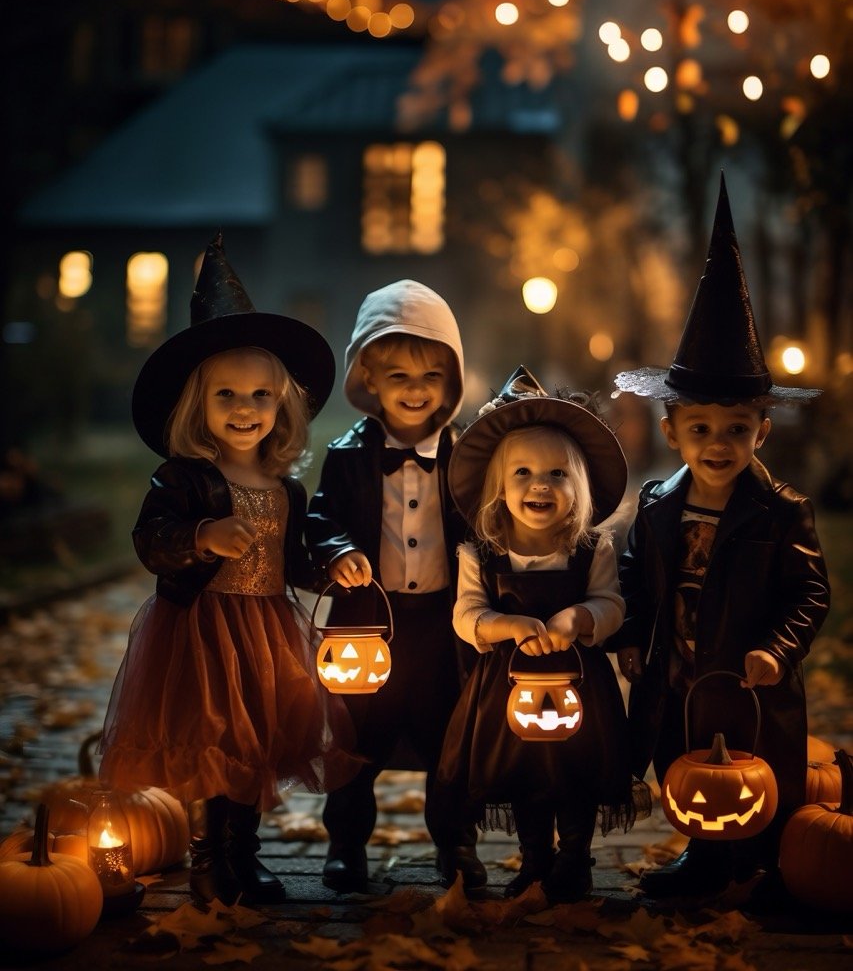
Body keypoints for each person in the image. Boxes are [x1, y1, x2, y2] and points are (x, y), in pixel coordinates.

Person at [99, 233, 360, 907]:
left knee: (259, 743)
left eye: (259, 397)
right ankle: (211, 856)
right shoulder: (184, 478)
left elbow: (294, 559)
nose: (244, 410)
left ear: (283, 407)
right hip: (202, 631)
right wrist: (201, 534)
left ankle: (245, 853)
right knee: (213, 742)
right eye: (226, 396)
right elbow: (150, 540)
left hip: (268, 630)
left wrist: (332, 570)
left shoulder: (283, 487)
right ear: (197, 404)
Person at [610, 175, 831, 907]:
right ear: (671, 430)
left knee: (753, 767)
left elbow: (809, 592)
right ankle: (703, 860)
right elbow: (638, 581)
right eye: (699, 428)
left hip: (748, 675)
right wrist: (635, 638)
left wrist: (777, 647)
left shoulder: (778, 513)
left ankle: (764, 867)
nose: (717, 443)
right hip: (679, 671)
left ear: (759, 432)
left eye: (735, 429)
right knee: (688, 762)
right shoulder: (657, 508)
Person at [435, 366, 646, 904]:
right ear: (499, 488)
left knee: (574, 772)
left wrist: (580, 618)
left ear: (578, 487)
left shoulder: (590, 548)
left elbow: (612, 603)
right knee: (527, 774)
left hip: (579, 684)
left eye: (557, 474)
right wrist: (504, 624)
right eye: (523, 473)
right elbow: (466, 615)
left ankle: (574, 855)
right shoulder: (478, 554)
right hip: (506, 685)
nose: (540, 485)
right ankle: (535, 858)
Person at [305, 279, 486, 894]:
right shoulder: (348, 455)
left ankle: (456, 844)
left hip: (443, 623)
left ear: (450, 385)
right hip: (367, 620)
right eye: (399, 376)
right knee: (357, 740)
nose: (414, 390)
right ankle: (347, 846)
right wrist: (336, 552)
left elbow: (482, 523)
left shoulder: (466, 459)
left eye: (430, 377)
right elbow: (320, 517)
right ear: (370, 381)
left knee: (450, 740)